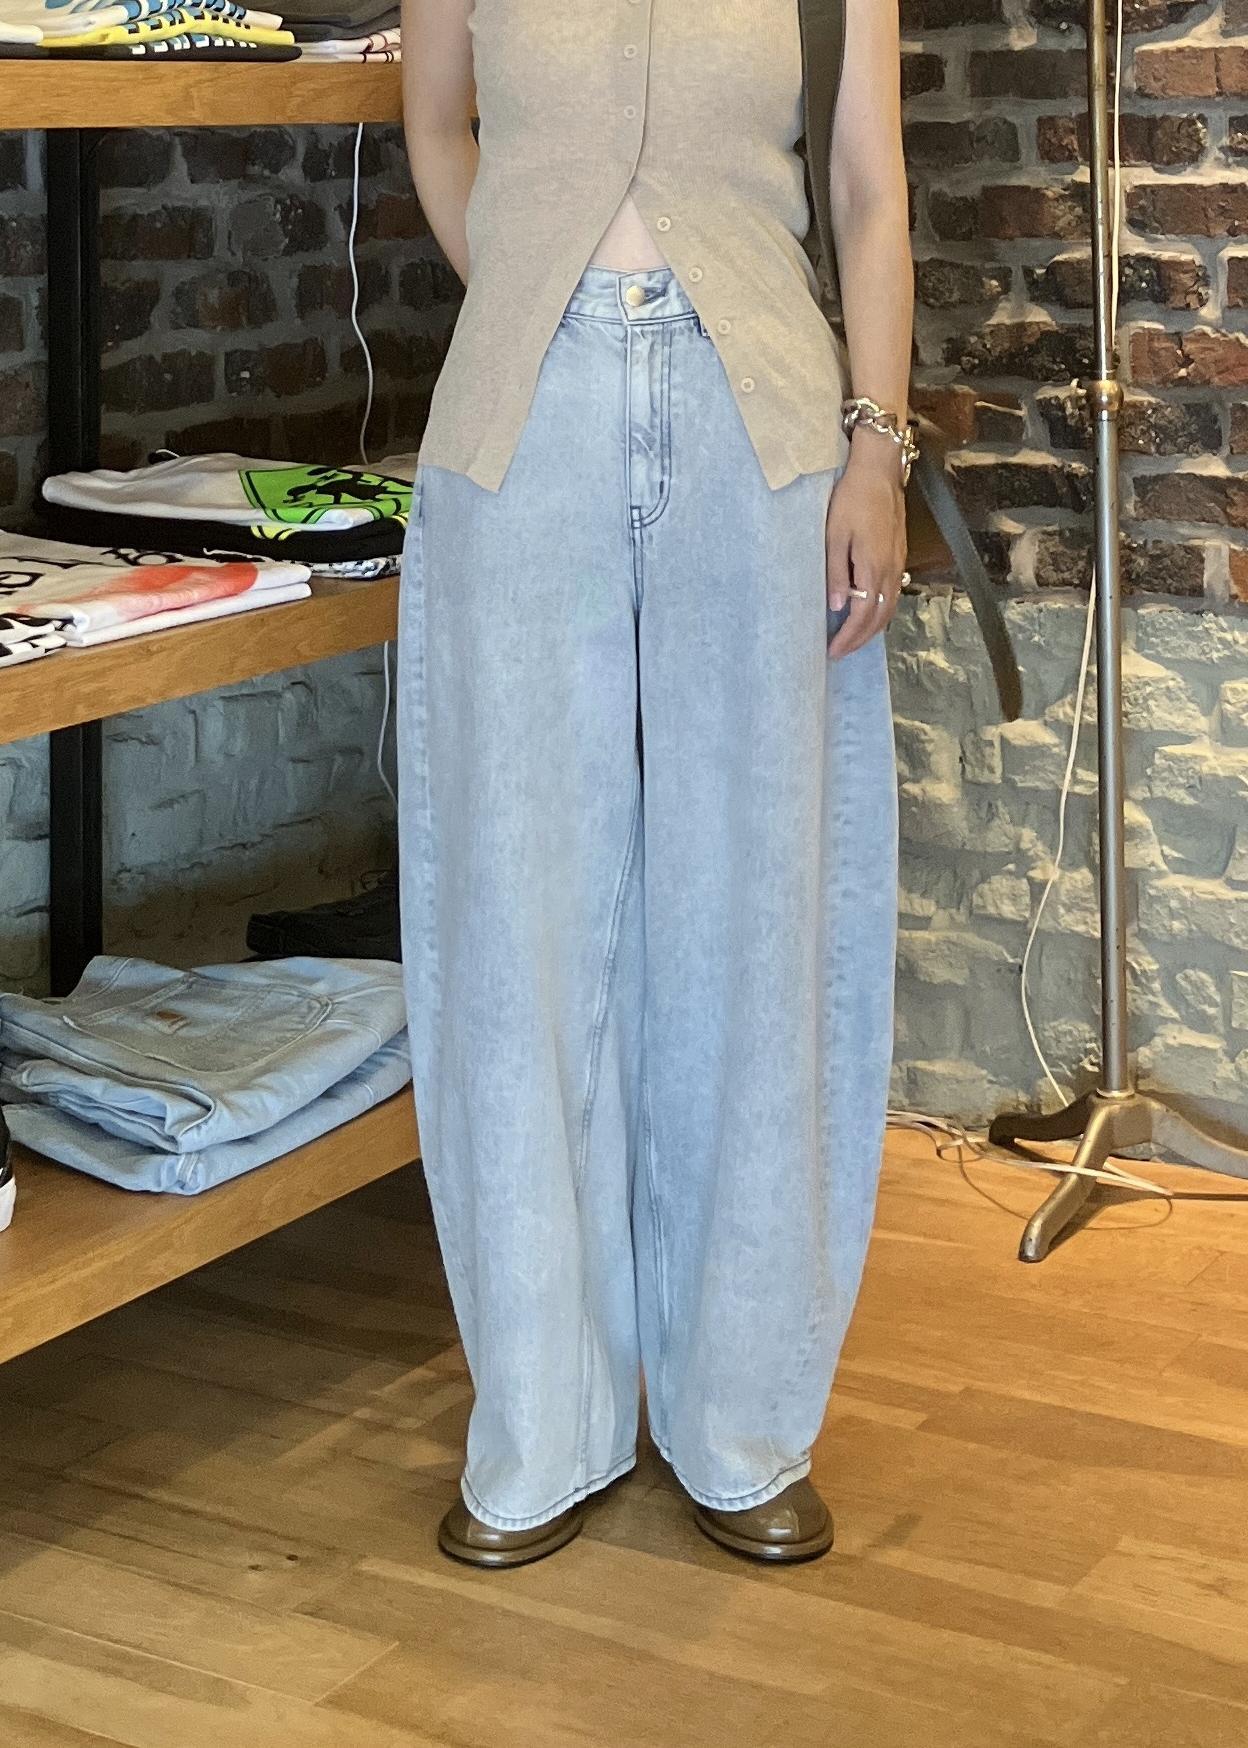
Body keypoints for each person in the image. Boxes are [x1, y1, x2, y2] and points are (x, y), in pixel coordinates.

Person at [398, 0, 911, 1569]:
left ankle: (739, 1420)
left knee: (754, 919)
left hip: (766, 431)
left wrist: (878, 452)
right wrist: (531, 298)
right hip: (522, 430)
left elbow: (868, 189)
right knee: (516, 927)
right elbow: (436, 125)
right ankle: (541, 1423)